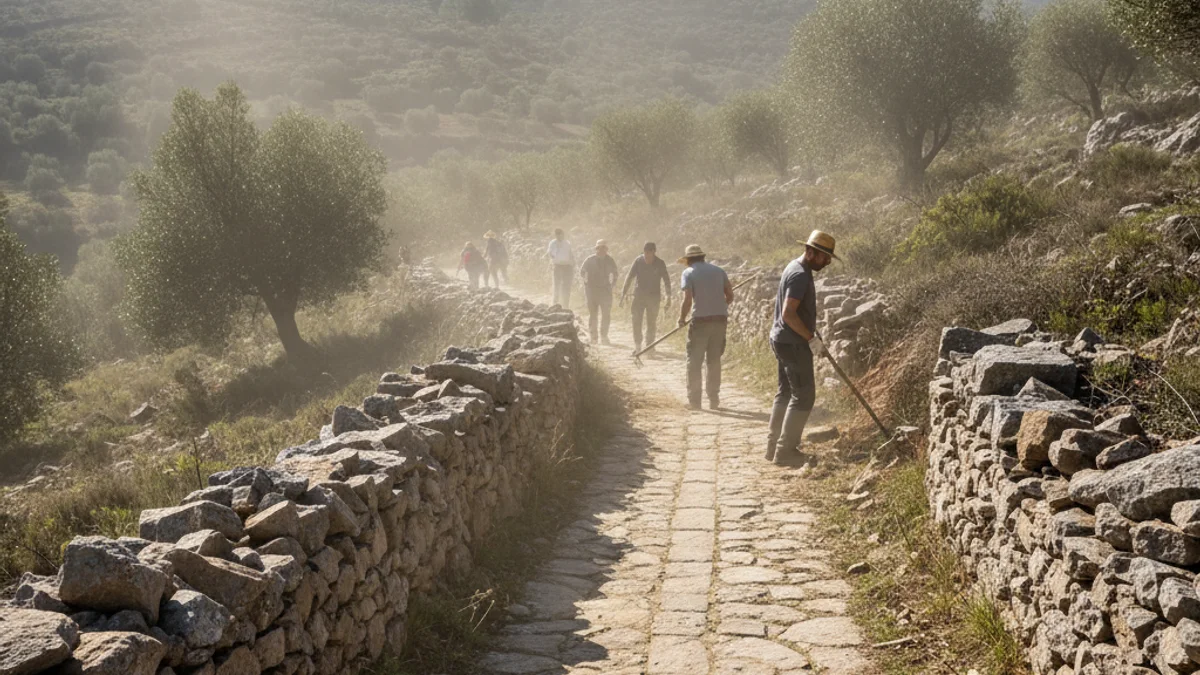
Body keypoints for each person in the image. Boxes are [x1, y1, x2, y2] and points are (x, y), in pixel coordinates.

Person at [765, 230, 838, 467]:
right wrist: (810, 338)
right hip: (792, 343)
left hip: (782, 339)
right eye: (824, 256)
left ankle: (773, 446)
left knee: (785, 392)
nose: (827, 262)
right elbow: (788, 313)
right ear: (811, 252)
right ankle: (785, 451)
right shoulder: (800, 276)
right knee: (804, 396)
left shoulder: (796, 268)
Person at [676, 244, 734, 410]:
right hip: (720, 321)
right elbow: (730, 296)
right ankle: (714, 399)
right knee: (714, 361)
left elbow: (687, 299)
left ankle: (695, 401)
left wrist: (681, 318)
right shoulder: (719, 271)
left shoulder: (688, 273)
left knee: (694, 361)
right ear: (702, 257)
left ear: (688, 260)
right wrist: (719, 305)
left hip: (700, 322)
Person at [620, 242, 672, 356]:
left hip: (654, 297)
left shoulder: (660, 263)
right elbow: (629, 276)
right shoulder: (638, 261)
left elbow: (666, 280)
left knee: (651, 322)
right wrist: (623, 293)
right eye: (645, 253)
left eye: (649, 253)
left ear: (654, 252)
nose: (647, 256)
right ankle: (638, 346)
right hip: (639, 296)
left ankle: (649, 346)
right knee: (636, 320)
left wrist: (668, 296)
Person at [579, 239, 619, 344]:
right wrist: (586, 280)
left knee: (606, 314)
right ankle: (594, 337)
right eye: (599, 248)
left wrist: (613, 285)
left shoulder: (610, 260)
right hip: (592, 290)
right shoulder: (589, 260)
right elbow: (582, 271)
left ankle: (604, 336)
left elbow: (615, 273)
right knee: (593, 314)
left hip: (605, 291)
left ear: (606, 249)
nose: (601, 250)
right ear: (596, 249)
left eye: (604, 248)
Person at [547, 228, 574, 308]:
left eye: (561, 234)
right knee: (557, 285)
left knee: (566, 286)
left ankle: (566, 305)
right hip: (557, 266)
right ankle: (555, 304)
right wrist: (557, 248)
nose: (559, 236)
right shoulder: (552, 243)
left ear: (563, 234)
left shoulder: (567, 243)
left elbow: (570, 254)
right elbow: (551, 254)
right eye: (557, 234)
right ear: (555, 235)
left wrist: (572, 263)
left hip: (567, 266)